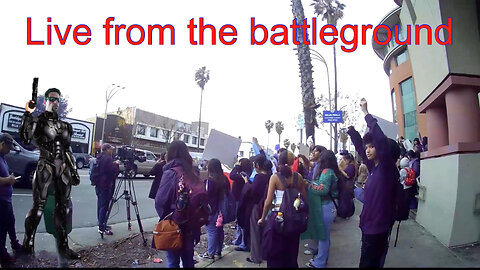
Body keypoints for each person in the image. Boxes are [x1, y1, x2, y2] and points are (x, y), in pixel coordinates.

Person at [19, 88, 81, 262]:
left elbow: (67, 150)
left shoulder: (66, 126)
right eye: (51, 99)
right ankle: (28, 242)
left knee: (63, 208)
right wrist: (27, 113)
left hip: (62, 169)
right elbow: (25, 137)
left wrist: (73, 170)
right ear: (46, 100)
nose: (55, 102)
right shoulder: (38, 122)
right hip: (45, 165)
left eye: (57, 99)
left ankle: (63, 247)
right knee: (38, 207)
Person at [347, 98, 400, 268]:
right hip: (368, 227)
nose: (368, 149)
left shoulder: (387, 169)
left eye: (372, 146)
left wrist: (365, 113)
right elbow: (362, 150)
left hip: (377, 229)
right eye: (367, 146)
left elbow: (381, 141)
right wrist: (352, 132)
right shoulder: (374, 167)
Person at [155, 140, 200, 268]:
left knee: (173, 261)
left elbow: (160, 200)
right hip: (192, 222)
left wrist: (167, 218)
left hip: (174, 222)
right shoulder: (193, 171)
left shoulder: (171, 172)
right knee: (188, 259)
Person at [257, 151, 307, 268]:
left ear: (279, 161)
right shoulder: (298, 177)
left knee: (275, 253)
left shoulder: (275, 177)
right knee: (292, 253)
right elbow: (304, 197)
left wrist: (263, 218)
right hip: (294, 219)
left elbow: (268, 202)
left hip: (278, 219)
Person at [302, 150, 340, 268]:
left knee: (323, 237)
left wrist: (308, 185)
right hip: (329, 206)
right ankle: (322, 259)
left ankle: (319, 263)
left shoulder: (327, 172)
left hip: (327, 206)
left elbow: (323, 190)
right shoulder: (331, 171)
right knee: (324, 236)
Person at [244, 154, 273, 265]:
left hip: (257, 206)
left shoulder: (258, 177)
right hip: (268, 207)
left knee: (255, 232)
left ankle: (255, 257)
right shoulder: (270, 176)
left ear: (257, 165)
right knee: (265, 231)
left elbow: (253, 192)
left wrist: (247, 183)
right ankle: (265, 253)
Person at [0, 133, 23, 267]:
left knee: (10, 222)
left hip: (6, 199)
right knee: (2, 229)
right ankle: (3, 256)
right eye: (8, 148)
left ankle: (15, 244)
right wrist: (8, 180)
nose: (9, 151)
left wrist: (10, 177)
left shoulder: (2, 157)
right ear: (3, 144)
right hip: (1, 200)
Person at [200, 158, 230, 261]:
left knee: (211, 231)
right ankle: (218, 250)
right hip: (222, 210)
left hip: (211, 210)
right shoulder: (224, 179)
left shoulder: (210, 181)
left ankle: (210, 253)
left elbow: (205, 196)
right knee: (219, 230)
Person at [95, 143, 120, 236]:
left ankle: (101, 224)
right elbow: (113, 173)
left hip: (98, 184)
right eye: (110, 149)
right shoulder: (108, 159)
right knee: (104, 207)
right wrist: (116, 165)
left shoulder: (100, 157)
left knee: (100, 205)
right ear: (106, 149)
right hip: (105, 185)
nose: (112, 150)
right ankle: (102, 228)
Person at [229, 158, 253, 251]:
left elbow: (232, 175)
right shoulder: (246, 173)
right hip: (239, 199)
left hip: (240, 199)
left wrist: (237, 166)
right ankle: (239, 239)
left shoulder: (244, 174)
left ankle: (243, 242)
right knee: (239, 221)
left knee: (241, 221)